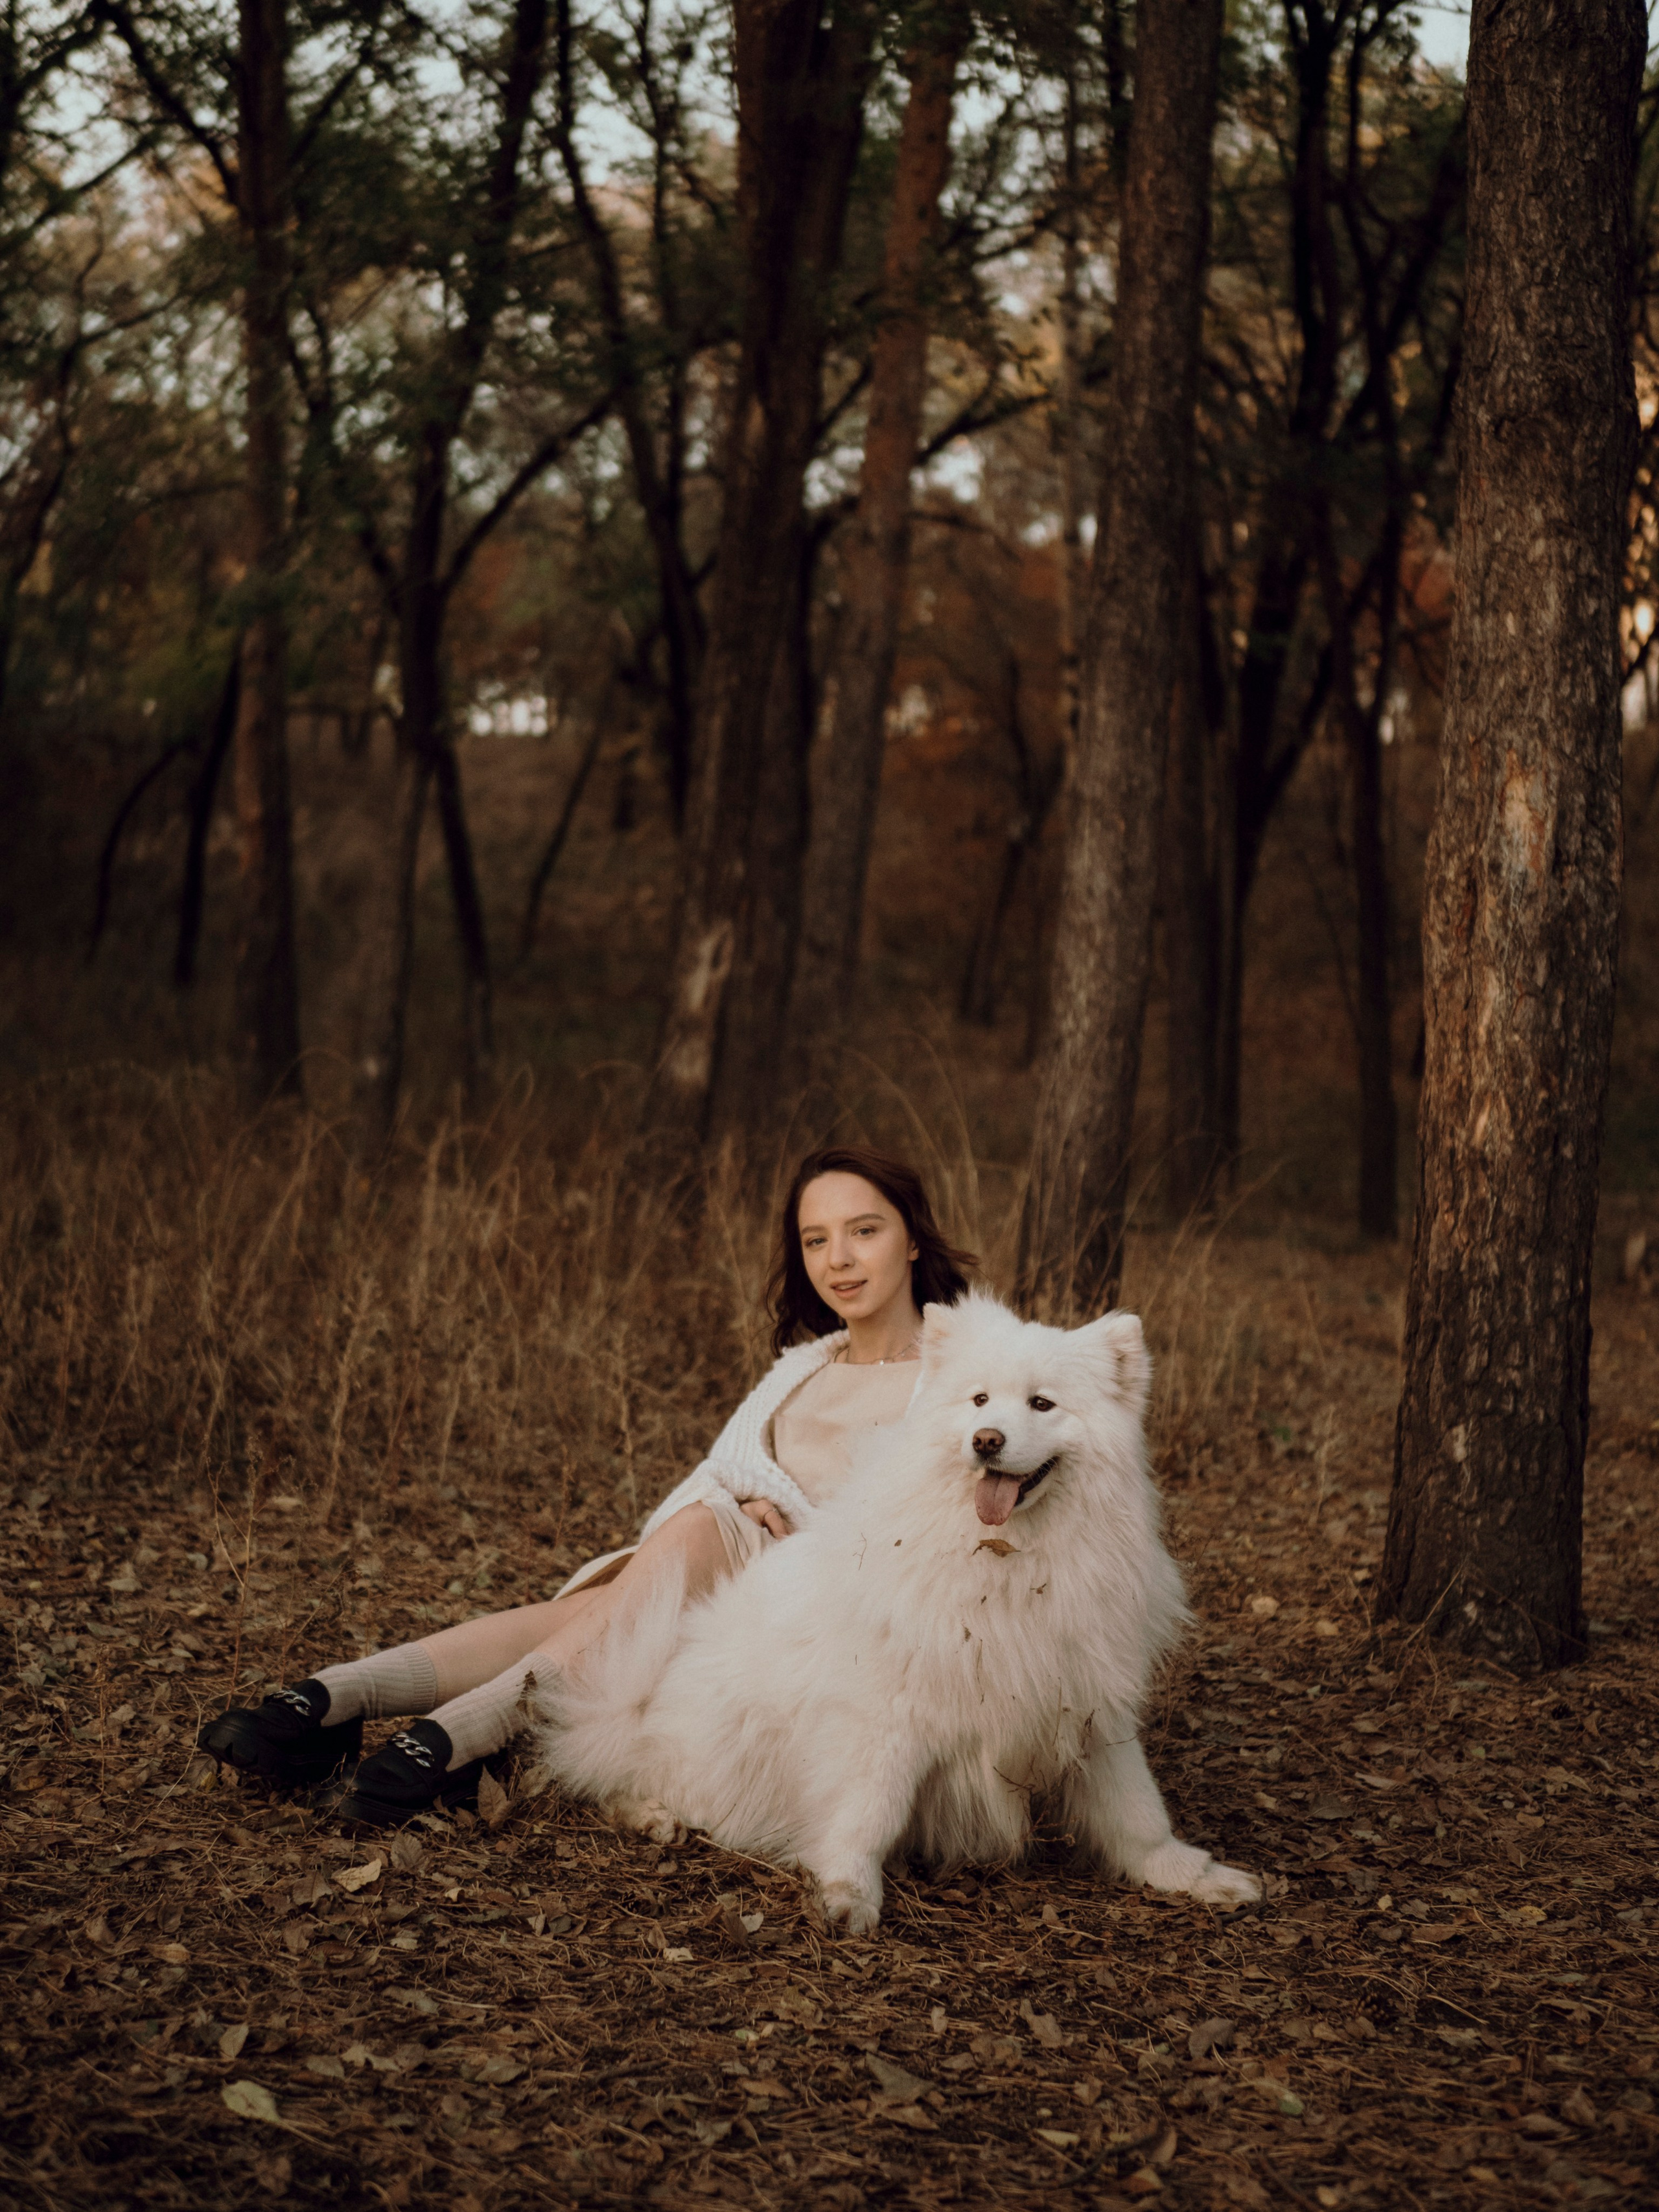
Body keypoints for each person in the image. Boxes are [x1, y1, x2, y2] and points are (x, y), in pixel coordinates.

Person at [198, 1145, 977, 1828]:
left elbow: (941, 1546)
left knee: (671, 1558)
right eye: (815, 1239)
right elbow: (718, 1477)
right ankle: (339, 1698)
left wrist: (793, 1543)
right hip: (718, 1561)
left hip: (810, 1610)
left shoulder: (962, 1378)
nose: (838, 1257)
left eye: (863, 1230)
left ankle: (449, 1731)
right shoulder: (803, 1367)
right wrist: (730, 1519)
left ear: (911, 1236)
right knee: (601, 1604)